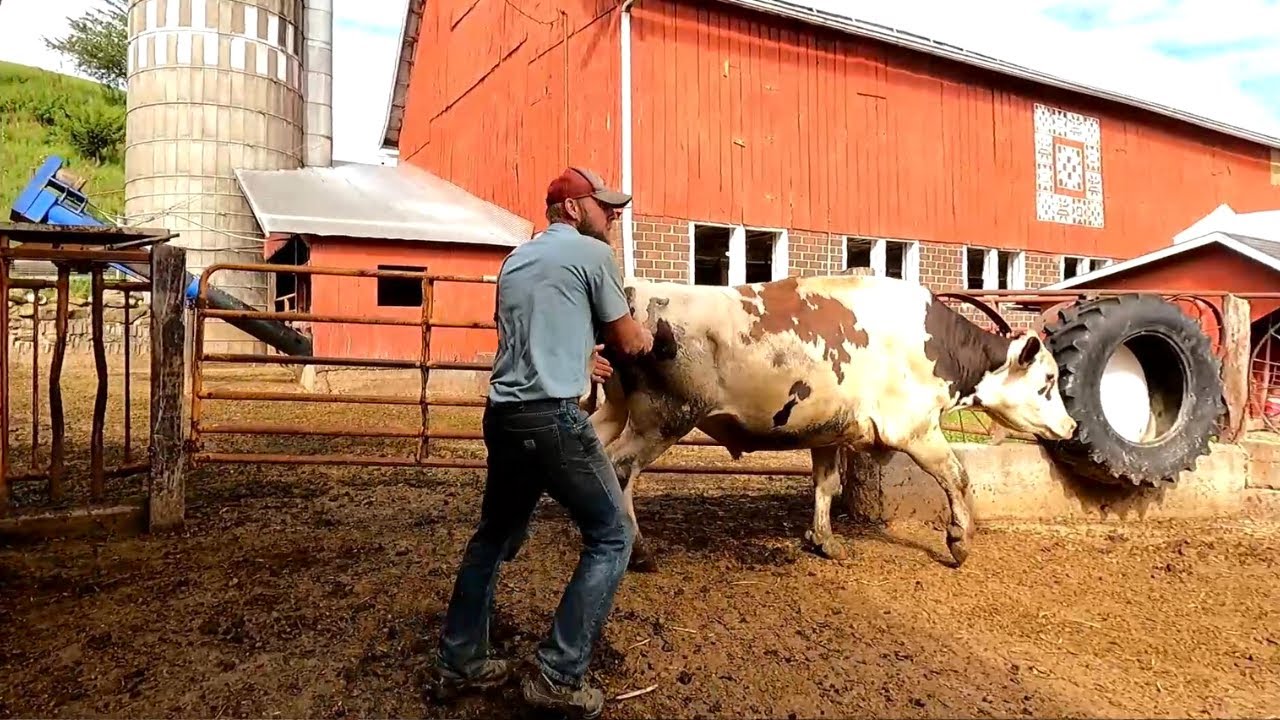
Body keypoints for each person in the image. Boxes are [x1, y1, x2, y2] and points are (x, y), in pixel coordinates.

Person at [433, 166, 655, 719]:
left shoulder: (517, 260)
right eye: (605, 206)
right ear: (574, 210)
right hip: (553, 420)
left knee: (492, 537)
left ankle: (460, 660)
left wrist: (579, 357)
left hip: (503, 416)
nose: (614, 215)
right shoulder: (591, 255)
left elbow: (526, 337)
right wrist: (644, 335)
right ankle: (559, 674)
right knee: (611, 535)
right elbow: (627, 339)